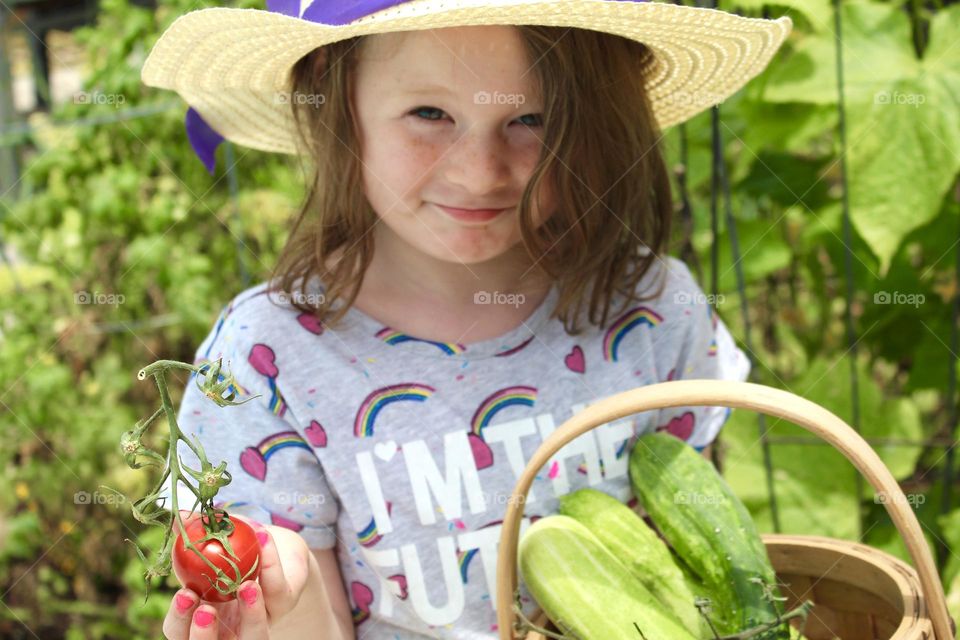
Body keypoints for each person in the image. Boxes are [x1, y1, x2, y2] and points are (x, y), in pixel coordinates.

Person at [142, 0, 791, 637]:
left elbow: (700, 558)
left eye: (532, 118)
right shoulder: (269, 357)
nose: (480, 173)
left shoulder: (651, 309)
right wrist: (274, 612)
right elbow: (313, 619)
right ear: (337, 107)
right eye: (430, 113)